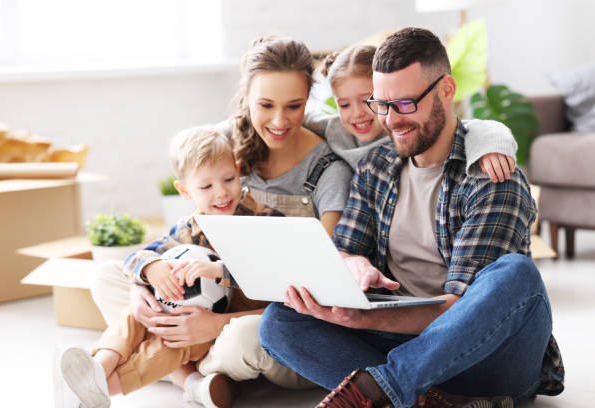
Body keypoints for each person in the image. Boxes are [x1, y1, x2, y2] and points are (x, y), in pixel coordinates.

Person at [259, 28, 564, 408]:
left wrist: (365, 320)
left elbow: (458, 308)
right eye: (381, 105)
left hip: (485, 357)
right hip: (402, 341)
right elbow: (344, 249)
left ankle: (382, 390)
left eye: (404, 104)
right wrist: (353, 265)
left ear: (446, 90)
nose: (390, 121)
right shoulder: (377, 166)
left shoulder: (491, 177)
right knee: (279, 322)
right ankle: (427, 399)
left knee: (516, 275)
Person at [54, 126, 287, 408]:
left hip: (231, 331)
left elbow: (276, 275)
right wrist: (150, 270)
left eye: (228, 179)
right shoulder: (188, 228)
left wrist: (219, 271)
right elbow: (138, 257)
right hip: (191, 320)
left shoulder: (265, 220)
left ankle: (104, 389)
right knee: (135, 313)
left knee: (170, 344)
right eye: (206, 186)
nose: (222, 192)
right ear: (185, 190)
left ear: (238, 171)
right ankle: (97, 369)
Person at [305, 44, 518, 180]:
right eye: (344, 105)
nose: (357, 113)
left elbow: (476, 128)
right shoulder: (335, 129)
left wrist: (491, 149)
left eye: (368, 100)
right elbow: (303, 118)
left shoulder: (407, 131)